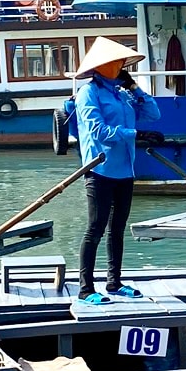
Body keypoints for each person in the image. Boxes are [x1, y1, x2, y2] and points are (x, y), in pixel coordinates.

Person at [70, 36, 163, 304]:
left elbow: (154, 113)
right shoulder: (88, 93)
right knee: (95, 228)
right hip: (99, 168)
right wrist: (136, 133)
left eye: (122, 62)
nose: (122, 64)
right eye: (117, 61)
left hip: (125, 169)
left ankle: (114, 282)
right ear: (103, 65)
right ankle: (86, 288)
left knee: (117, 228)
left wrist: (135, 87)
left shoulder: (122, 93)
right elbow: (98, 131)